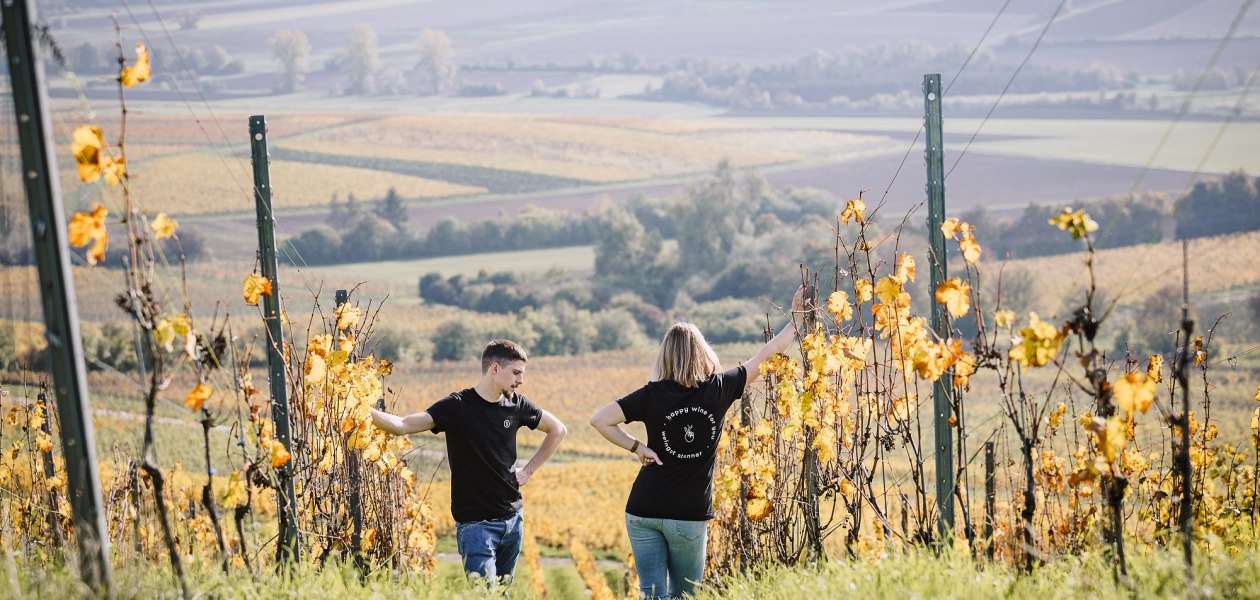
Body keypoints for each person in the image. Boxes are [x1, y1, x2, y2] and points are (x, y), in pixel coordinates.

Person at [590, 286, 804, 599]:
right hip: (687, 514)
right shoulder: (719, 388)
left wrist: (638, 448)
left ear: (665, 355)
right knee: (685, 595)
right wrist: (796, 320)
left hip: (643, 508)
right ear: (702, 351)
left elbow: (599, 419)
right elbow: (765, 356)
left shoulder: (651, 394)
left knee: (652, 594)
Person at [370, 339, 567, 585]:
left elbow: (558, 430)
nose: (521, 380)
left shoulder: (517, 405)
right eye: (516, 373)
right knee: (484, 594)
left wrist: (528, 471)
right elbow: (402, 425)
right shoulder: (458, 406)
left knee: (502, 594)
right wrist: (357, 408)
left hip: (513, 521)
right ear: (494, 369)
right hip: (476, 526)